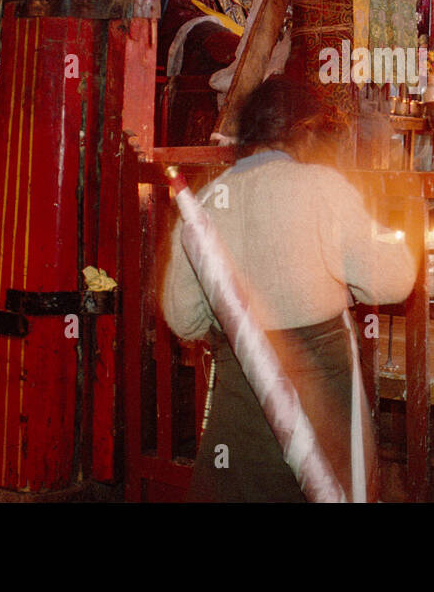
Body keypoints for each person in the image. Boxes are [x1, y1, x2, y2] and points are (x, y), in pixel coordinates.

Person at [160, 77, 416, 501]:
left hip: (242, 401)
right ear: (306, 130)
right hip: (321, 404)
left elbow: (182, 317)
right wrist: (392, 237)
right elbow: (392, 279)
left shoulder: (207, 199)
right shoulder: (322, 188)